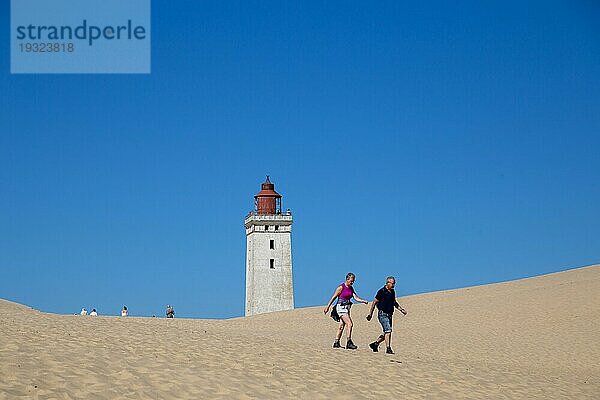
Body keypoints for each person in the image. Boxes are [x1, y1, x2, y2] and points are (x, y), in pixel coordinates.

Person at [323, 272, 368, 350]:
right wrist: (327, 307)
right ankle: (349, 342)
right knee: (350, 324)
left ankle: (336, 342)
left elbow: (355, 297)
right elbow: (333, 297)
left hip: (347, 307)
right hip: (341, 307)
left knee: (341, 325)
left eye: (353, 281)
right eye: (351, 281)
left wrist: (363, 301)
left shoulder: (351, 288)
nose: (352, 282)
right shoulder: (341, 287)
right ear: (347, 279)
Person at [366, 276, 407, 354]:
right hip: (382, 314)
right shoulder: (381, 291)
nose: (393, 285)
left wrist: (401, 310)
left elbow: (394, 302)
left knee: (386, 332)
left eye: (394, 283)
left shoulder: (392, 292)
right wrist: (370, 314)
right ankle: (388, 348)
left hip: (390, 314)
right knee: (388, 331)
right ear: (387, 283)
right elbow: (374, 302)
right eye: (392, 283)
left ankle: (375, 344)